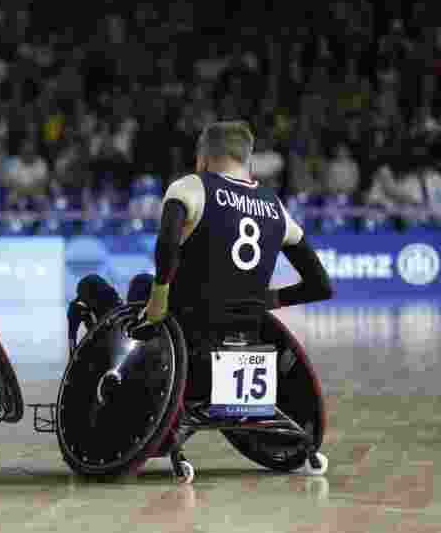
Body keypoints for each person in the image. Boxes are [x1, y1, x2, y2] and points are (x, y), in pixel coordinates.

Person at [76, 121, 333, 399]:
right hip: (249, 342)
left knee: (101, 286)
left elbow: (167, 246)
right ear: (247, 158)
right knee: (143, 284)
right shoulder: (276, 206)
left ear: (204, 155)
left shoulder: (191, 186)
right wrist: (268, 300)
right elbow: (321, 287)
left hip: (187, 350)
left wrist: (159, 295)